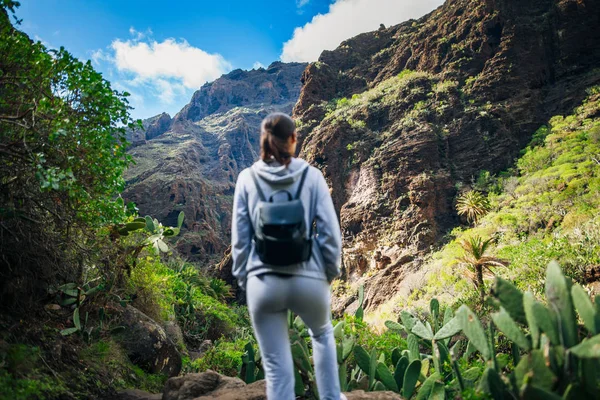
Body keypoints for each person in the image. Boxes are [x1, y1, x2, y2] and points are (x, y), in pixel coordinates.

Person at [231, 112, 343, 400]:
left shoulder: (246, 178)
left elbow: (240, 242)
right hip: (309, 278)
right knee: (321, 334)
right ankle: (332, 397)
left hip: (263, 282)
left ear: (264, 141)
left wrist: (248, 280)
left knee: (277, 368)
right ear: (293, 139)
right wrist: (328, 273)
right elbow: (330, 233)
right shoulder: (312, 176)